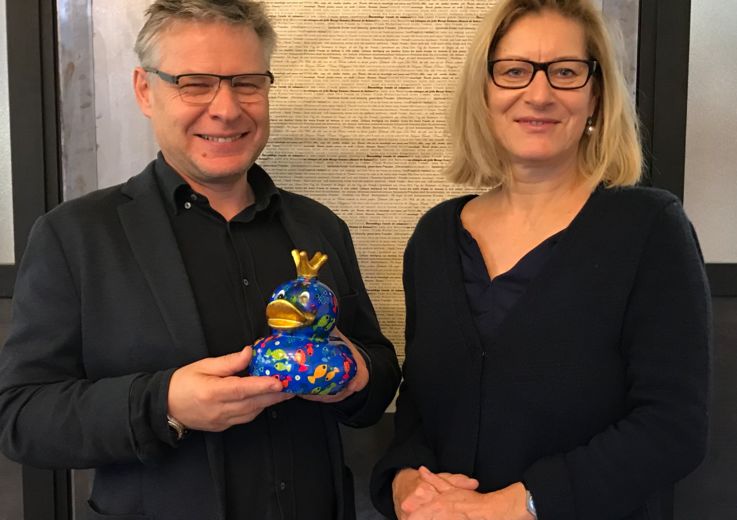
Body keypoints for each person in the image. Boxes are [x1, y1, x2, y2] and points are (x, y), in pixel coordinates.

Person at [0, 1, 400, 519]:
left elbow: (377, 373)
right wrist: (164, 404)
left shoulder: (318, 228)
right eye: (195, 84)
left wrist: (355, 375)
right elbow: (21, 416)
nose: (227, 109)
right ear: (145, 90)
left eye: (247, 83)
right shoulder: (75, 236)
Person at [370, 0, 711, 519]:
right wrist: (403, 482)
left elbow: (673, 428)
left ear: (596, 96)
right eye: (514, 71)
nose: (539, 93)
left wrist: (523, 503)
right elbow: (420, 408)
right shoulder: (435, 236)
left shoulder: (649, 229)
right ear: (484, 93)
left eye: (566, 72)